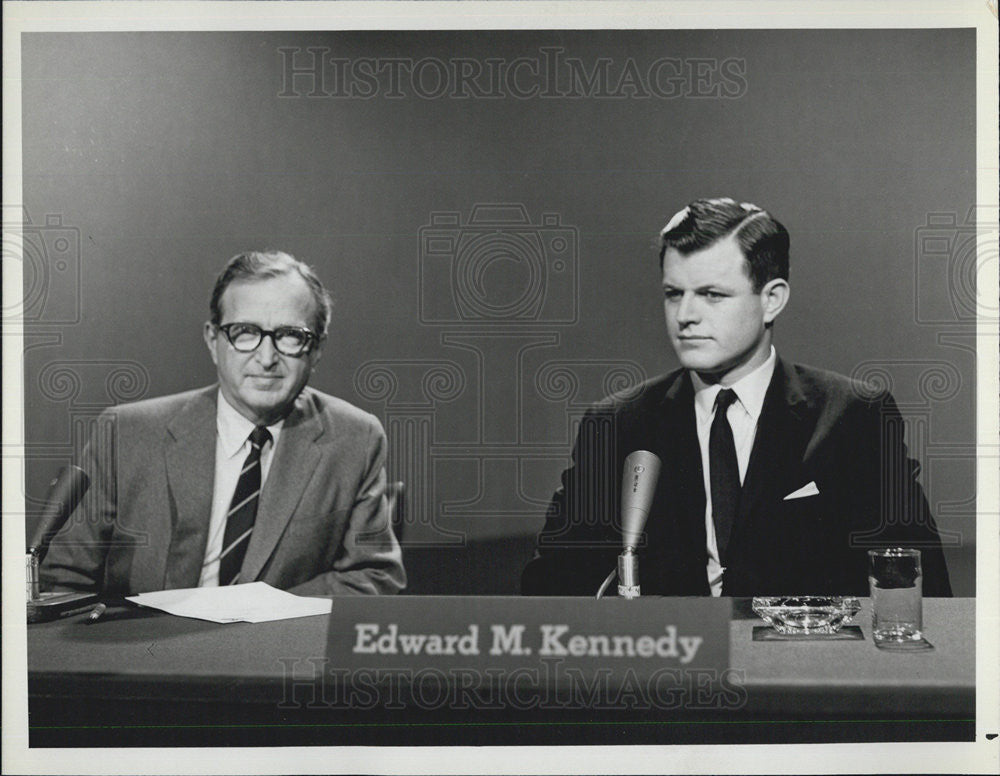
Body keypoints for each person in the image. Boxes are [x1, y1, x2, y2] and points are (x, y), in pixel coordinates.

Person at [522, 198, 952, 597]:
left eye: (712, 294)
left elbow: (920, 589)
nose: (685, 315)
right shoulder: (618, 423)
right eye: (674, 294)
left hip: (807, 670)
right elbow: (548, 594)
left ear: (772, 300)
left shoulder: (854, 417)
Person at [42, 251, 405, 596]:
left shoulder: (355, 438)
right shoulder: (124, 433)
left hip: (269, 652)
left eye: (290, 336)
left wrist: (261, 611)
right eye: (245, 332)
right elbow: (63, 579)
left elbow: (375, 576)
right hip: (141, 651)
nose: (266, 358)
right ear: (213, 341)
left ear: (317, 350)